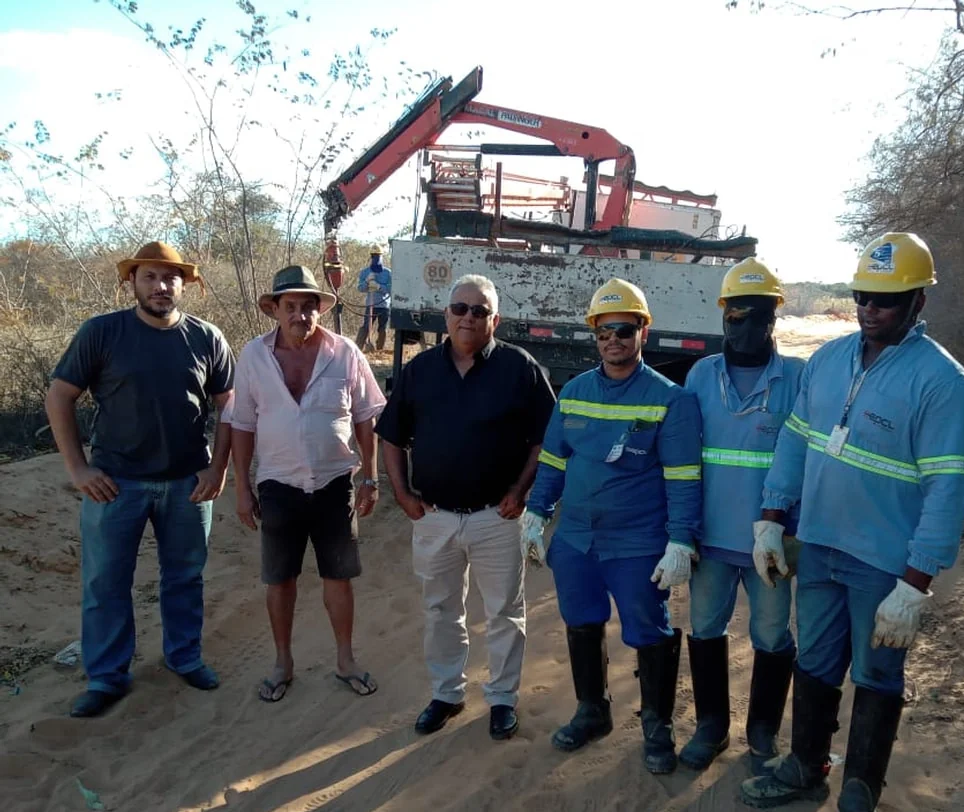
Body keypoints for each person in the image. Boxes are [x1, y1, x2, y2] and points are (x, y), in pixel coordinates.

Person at [740, 233, 964, 812]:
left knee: (876, 674)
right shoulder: (827, 360)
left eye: (887, 299)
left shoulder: (943, 385)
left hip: (884, 566)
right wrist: (772, 517)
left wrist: (916, 583)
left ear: (918, 301)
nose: (870, 309)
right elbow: (794, 440)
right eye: (862, 296)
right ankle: (805, 766)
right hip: (817, 547)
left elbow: (948, 489)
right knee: (815, 664)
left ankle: (859, 799)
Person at [44, 241, 235, 718]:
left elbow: (231, 408)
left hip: (187, 484)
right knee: (106, 583)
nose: (160, 286)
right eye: (150, 276)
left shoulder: (207, 337)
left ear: (184, 284)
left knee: (185, 578)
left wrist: (219, 468)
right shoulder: (102, 333)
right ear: (132, 281)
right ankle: (107, 677)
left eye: (170, 278)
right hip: (115, 484)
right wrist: (78, 468)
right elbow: (59, 397)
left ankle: (184, 657)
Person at [521, 278, 703, 775]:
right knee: (581, 622)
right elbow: (555, 460)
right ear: (594, 335)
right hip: (577, 539)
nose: (613, 339)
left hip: (638, 542)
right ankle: (592, 710)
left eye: (624, 328)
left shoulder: (671, 399)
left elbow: (685, 478)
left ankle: (657, 724)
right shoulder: (575, 394)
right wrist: (537, 513)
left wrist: (681, 540)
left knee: (649, 630)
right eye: (604, 330)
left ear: (644, 331)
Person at [376, 274, 556, 740]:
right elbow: (391, 436)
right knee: (440, 610)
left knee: (503, 612)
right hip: (433, 517)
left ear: (495, 320)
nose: (468, 318)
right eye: (460, 308)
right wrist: (402, 494)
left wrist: (520, 489)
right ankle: (447, 694)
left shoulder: (521, 368)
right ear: (446, 315)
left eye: (480, 311)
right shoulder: (420, 370)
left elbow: (546, 439)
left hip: (497, 518)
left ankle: (501, 699)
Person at [225, 265, 387, 702]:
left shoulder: (345, 352)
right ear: (275, 310)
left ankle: (345, 660)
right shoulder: (253, 357)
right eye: (291, 306)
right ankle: (283, 662)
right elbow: (241, 424)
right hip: (278, 484)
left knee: (339, 576)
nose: (300, 315)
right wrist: (243, 488)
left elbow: (366, 416)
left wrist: (370, 476)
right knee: (279, 580)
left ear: (320, 308)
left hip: (335, 482)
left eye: (308, 306)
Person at [677, 258, 805, 773]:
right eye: (736, 316)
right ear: (723, 317)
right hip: (711, 540)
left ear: (775, 318)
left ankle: (762, 730)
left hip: (769, 545)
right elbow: (683, 459)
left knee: (773, 637)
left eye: (759, 316)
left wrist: (789, 530)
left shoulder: (798, 378)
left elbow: (806, 460)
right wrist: (680, 534)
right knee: (705, 629)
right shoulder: (701, 375)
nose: (747, 327)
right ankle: (711, 727)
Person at [355, 244, 391, 352]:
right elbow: (360, 288)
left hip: (384, 306)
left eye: (378, 255)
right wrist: (366, 281)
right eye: (374, 255)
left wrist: (379, 286)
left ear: (382, 256)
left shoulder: (387, 273)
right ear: (371, 256)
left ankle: (379, 350)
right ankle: (357, 349)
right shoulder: (365, 272)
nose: (376, 257)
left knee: (382, 328)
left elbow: (390, 290)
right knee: (366, 327)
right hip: (370, 305)